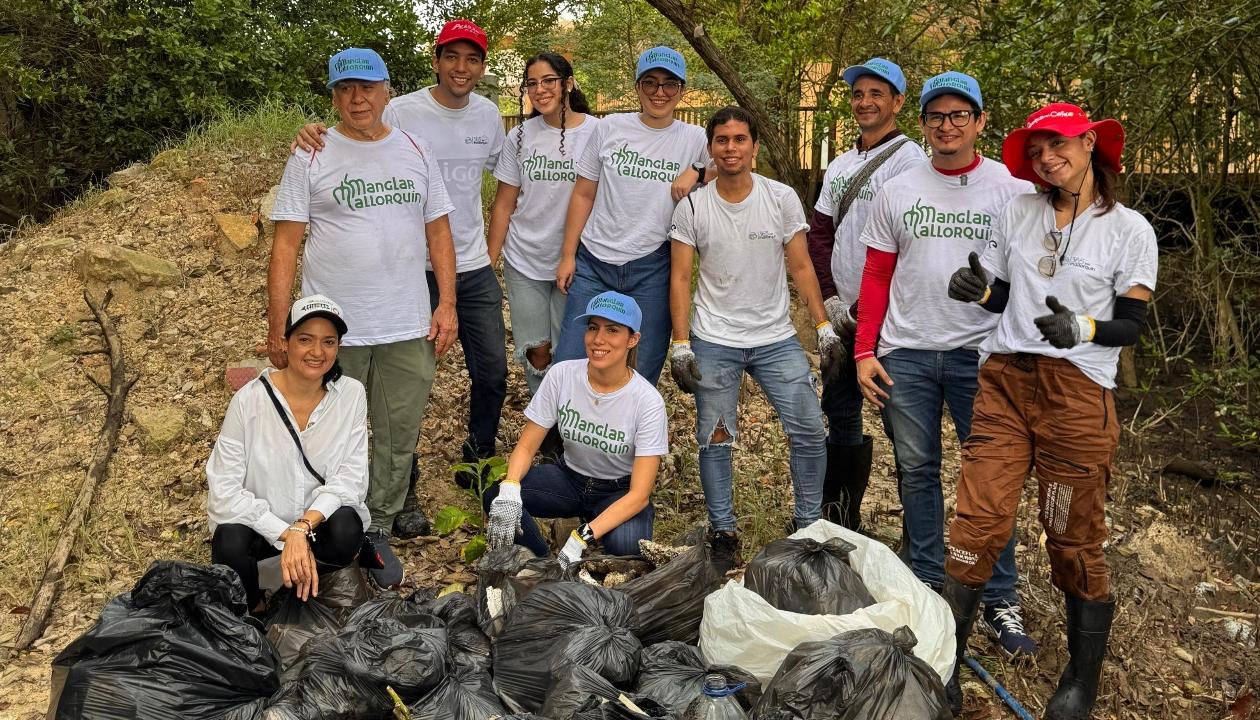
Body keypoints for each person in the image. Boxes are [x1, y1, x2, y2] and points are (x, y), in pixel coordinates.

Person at [939, 103, 1156, 719]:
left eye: (1056, 145)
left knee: (1072, 536)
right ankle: (947, 664)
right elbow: (1006, 293)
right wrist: (980, 291)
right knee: (977, 522)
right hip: (1007, 382)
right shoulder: (1019, 211)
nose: (1045, 159)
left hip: (1077, 395)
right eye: (1035, 151)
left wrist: (1082, 326)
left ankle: (1079, 683)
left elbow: (1131, 325)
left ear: (1089, 144)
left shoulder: (1129, 229)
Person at [853, 71, 1036, 663]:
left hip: (983, 357)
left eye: (960, 115)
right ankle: (928, 581)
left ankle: (999, 596)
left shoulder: (1009, 190)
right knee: (917, 470)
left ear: (980, 122)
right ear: (924, 124)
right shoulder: (899, 188)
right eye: (936, 117)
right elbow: (877, 274)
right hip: (907, 353)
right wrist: (864, 352)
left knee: (990, 481)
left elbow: (1028, 276)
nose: (947, 126)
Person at [269, 47, 458, 587]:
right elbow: (286, 245)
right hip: (333, 333)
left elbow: (438, 232)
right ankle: (326, 524)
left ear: (387, 91)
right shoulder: (312, 153)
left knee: (398, 434)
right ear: (333, 95)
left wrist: (445, 304)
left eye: (367, 87)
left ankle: (377, 524)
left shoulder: (415, 150)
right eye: (345, 89)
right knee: (331, 434)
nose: (357, 98)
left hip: (405, 323)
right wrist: (279, 324)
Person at [295, 20, 508, 488]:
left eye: (472, 59)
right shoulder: (404, 110)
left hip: (469, 265)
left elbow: (508, 176)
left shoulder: (490, 115)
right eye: (451, 56)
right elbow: (357, 132)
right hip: (409, 271)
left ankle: (477, 460)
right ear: (435, 61)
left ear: (482, 66)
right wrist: (311, 131)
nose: (461, 67)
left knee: (492, 372)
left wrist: (491, 253)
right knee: (402, 385)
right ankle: (402, 482)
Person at [668, 106, 843, 539]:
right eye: (722, 141)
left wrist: (823, 328)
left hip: (775, 338)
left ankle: (808, 526)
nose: (731, 148)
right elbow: (681, 277)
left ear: (755, 147)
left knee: (808, 429)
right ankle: (723, 531)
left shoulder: (780, 197)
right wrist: (681, 343)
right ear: (710, 149)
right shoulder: (693, 206)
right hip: (714, 336)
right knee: (715, 438)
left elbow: (802, 267)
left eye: (740, 139)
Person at [806, 57, 927, 530]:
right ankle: (841, 520)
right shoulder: (840, 164)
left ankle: (917, 534)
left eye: (877, 93)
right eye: (858, 94)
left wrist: (868, 307)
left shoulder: (911, 161)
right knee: (840, 414)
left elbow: (912, 243)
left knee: (903, 425)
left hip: (890, 317)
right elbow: (819, 235)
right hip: (843, 316)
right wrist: (833, 300)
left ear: (897, 102)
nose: (865, 102)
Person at [552, 46, 710, 385]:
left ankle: (630, 436)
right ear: (637, 86)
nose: (659, 92)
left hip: (652, 266)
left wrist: (697, 170)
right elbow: (583, 192)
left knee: (643, 366)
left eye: (670, 84)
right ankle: (557, 435)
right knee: (569, 360)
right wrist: (568, 255)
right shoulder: (609, 128)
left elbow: (735, 167)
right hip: (595, 261)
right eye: (650, 83)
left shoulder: (695, 139)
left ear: (682, 91)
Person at [209, 295, 371, 612]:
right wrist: (285, 533)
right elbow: (224, 490)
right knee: (229, 541)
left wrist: (303, 527)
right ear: (285, 343)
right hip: (263, 532)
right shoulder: (249, 400)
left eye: (328, 341)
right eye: (305, 340)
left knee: (346, 527)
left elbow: (351, 478)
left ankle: (298, 579)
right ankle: (255, 606)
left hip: (315, 530)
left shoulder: (351, 395)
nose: (316, 352)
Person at [483, 291, 667, 568]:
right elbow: (526, 446)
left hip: (617, 490)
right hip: (569, 479)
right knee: (496, 497)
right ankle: (545, 563)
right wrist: (510, 488)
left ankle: (586, 533)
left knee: (628, 546)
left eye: (612, 330)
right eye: (593, 327)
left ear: (633, 339)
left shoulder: (647, 401)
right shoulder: (563, 375)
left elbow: (639, 494)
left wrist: (581, 538)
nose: (598, 339)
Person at [488, 52, 597, 395]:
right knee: (536, 350)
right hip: (525, 259)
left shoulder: (598, 133)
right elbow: (504, 204)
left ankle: (568, 427)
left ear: (568, 83)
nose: (540, 90)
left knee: (569, 352)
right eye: (532, 83)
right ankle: (544, 426)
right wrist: (487, 264)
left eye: (548, 81)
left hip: (578, 262)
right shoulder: (519, 137)